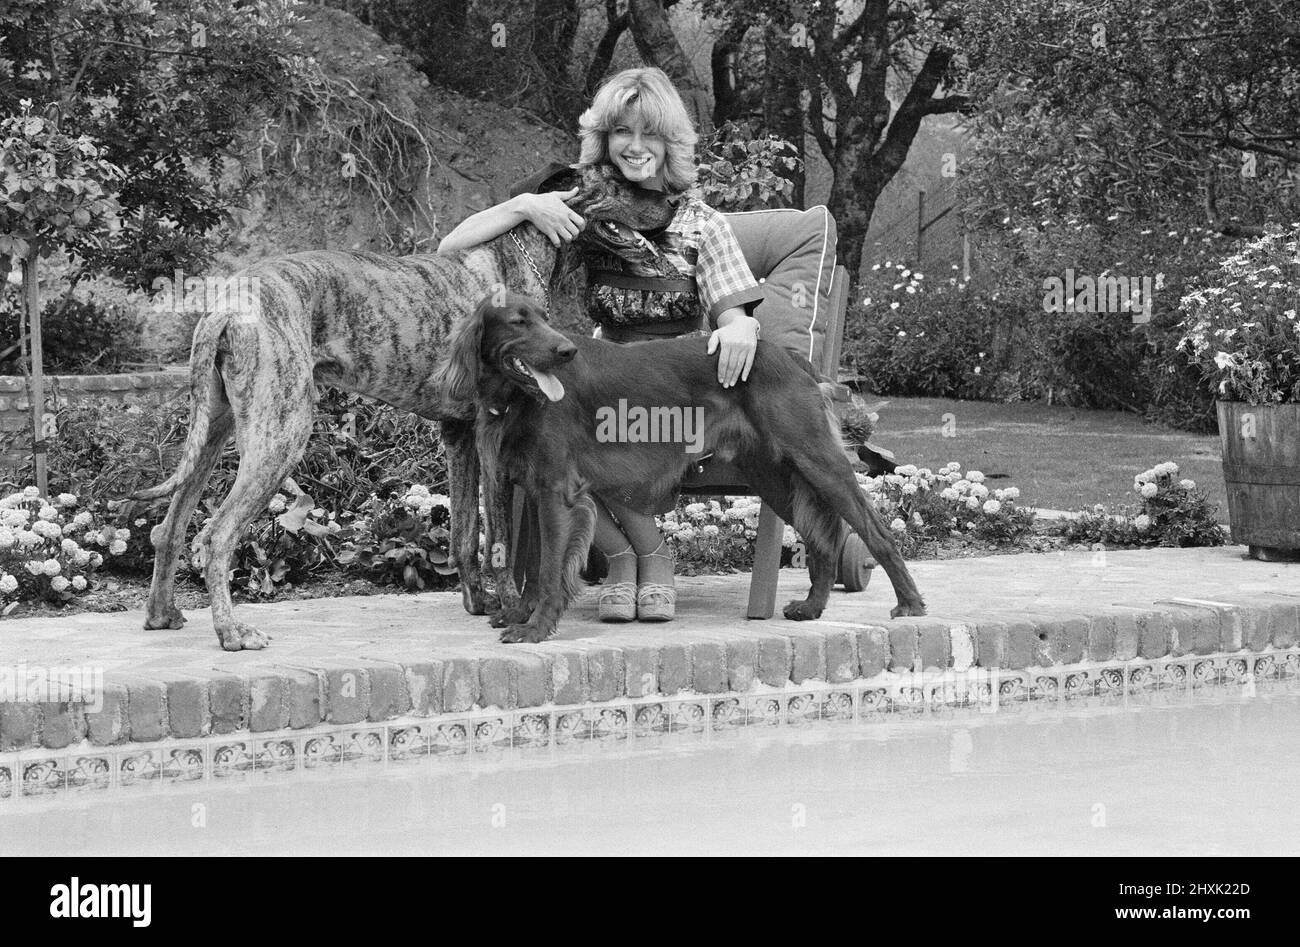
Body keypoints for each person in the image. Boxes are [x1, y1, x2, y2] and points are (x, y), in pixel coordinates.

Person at [439, 66, 766, 622]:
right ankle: (623, 556)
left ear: (672, 142)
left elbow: (731, 312)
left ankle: (651, 559)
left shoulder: (703, 223)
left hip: (674, 381)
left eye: (650, 134)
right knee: (562, 435)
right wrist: (524, 205)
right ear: (605, 140)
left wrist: (739, 324)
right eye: (622, 134)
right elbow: (451, 243)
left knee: (595, 439)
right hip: (599, 365)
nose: (636, 148)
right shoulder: (585, 205)